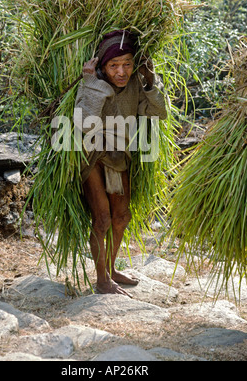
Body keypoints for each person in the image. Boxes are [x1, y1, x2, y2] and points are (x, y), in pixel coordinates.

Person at [74, 30, 167, 296]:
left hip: (119, 155)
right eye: (113, 65)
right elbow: (82, 122)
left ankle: (111, 269)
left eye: (127, 63)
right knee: (102, 218)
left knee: (121, 216)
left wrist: (150, 81)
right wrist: (91, 83)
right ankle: (102, 280)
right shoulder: (92, 82)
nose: (121, 72)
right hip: (91, 156)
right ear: (103, 66)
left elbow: (157, 114)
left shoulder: (137, 83)